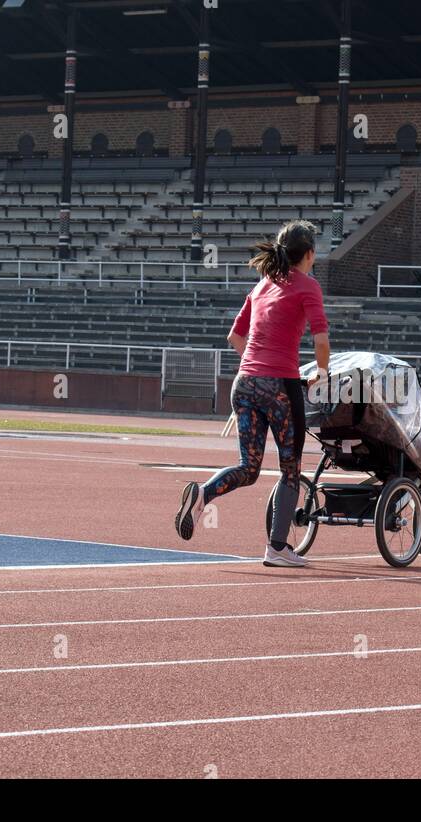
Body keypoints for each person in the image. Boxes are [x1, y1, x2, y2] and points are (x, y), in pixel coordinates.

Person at [174, 220, 330, 567]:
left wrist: (257, 366)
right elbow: (321, 339)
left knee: (249, 467)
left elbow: (234, 337)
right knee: (290, 469)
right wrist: (321, 375)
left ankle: (203, 494)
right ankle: (277, 547)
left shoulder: (262, 285)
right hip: (280, 385)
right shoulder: (308, 286)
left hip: (244, 383)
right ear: (308, 254)